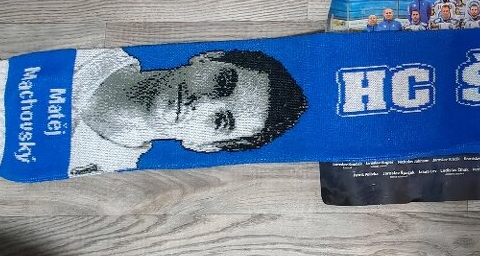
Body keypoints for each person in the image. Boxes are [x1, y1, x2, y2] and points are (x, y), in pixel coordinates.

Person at [68, 48, 308, 177]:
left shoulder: (105, 179)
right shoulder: (82, 49)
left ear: (204, 147)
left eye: (220, 121)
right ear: (208, 58)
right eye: (221, 82)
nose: (202, 103)